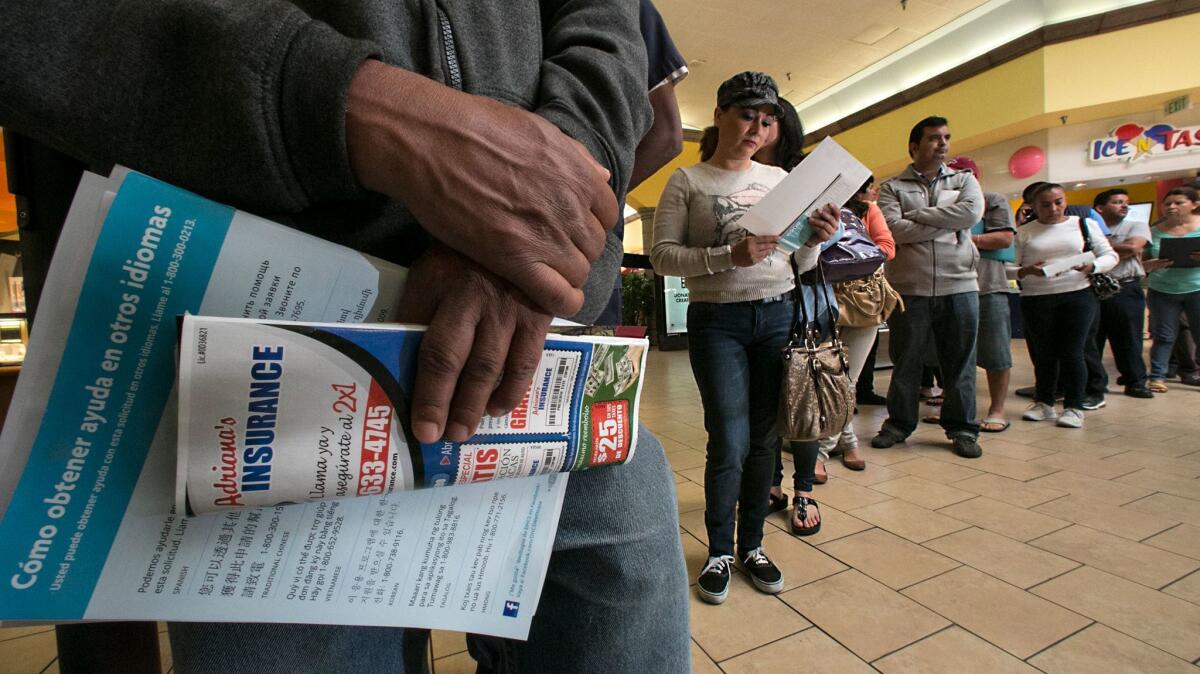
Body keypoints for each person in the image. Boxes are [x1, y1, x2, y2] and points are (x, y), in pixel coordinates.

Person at [2, 2, 693, 671]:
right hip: (262, 358)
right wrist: (343, 104)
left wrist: (533, 211)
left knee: (624, 565)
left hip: (536, 354)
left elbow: (605, 19)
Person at [650, 72, 839, 605]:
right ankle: (718, 550)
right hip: (718, 322)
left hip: (777, 314)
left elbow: (797, 259)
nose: (757, 127)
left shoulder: (782, 179)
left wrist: (819, 241)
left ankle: (752, 545)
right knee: (728, 442)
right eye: (747, 114)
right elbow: (662, 257)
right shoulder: (687, 180)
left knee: (762, 441)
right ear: (720, 114)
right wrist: (726, 256)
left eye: (767, 119)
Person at [871, 116, 985, 459]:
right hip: (910, 287)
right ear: (914, 146)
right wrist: (945, 220)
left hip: (960, 285)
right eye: (935, 138)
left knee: (961, 362)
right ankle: (898, 425)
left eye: (947, 137)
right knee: (906, 360)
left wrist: (919, 215)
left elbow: (970, 214)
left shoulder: (964, 180)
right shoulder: (891, 187)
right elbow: (893, 229)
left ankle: (962, 428)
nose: (943, 144)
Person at [596, 0, 688, 325]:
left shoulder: (630, 8)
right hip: (584, 244)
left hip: (583, 248)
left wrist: (586, 200)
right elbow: (666, 136)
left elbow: (666, 136)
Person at [1012, 183, 1117, 428]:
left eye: (1058, 202)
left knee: (1073, 351)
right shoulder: (1024, 232)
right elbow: (1008, 267)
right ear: (1034, 206)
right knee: (1044, 353)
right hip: (1037, 297)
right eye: (1045, 204)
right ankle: (1044, 402)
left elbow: (1110, 255)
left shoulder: (1083, 225)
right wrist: (1026, 270)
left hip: (1077, 294)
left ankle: (1074, 406)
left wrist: (1093, 267)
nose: (1053, 209)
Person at [815, 177, 894, 474]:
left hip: (862, 301)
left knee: (847, 380)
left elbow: (888, 248)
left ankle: (821, 452)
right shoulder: (812, 211)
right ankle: (848, 441)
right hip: (822, 302)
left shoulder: (866, 210)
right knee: (826, 378)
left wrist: (851, 251)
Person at [946, 157, 1016, 433]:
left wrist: (961, 238)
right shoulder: (941, 205)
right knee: (955, 356)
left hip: (989, 288)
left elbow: (1003, 238)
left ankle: (997, 408)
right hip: (950, 288)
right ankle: (959, 410)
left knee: (996, 352)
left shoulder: (992, 200)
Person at [1093, 188, 1154, 398]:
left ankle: (1135, 382)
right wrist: (1114, 246)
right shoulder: (1090, 227)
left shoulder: (1136, 225)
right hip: (1095, 288)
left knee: (1128, 338)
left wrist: (1102, 246)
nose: (1124, 206)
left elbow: (1133, 248)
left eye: (1126, 202)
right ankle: (1095, 384)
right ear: (1100, 208)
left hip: (1125, 287)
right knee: (1093, 339)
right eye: (1117, 202)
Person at [1142, 186, 1200, 393]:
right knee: (1164, 335)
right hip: (1162, 291)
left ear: (1194, 204)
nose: (1171, 207)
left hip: (1196, 288)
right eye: (1167, 204)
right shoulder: (1153, 231)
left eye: (1178, 203)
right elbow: (1141, 265)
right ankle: (1157, 376)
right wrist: (1152, 265)